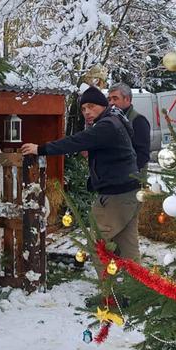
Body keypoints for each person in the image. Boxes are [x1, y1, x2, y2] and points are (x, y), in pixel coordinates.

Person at [21, 86, 141, 262]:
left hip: (116, 196)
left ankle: (110, 281)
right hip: (129, 193)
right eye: (83, 109)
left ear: (103, 105)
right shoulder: (115, 120)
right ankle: (138, 280)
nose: (87, 112)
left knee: (98, 245)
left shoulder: (107, 125)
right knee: (128, 249)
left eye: (91, 106)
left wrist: (40, 149)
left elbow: (76, 141)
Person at [107, 83, 151, 173]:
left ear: (127, 99)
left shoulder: (138, 120)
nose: (111, 103)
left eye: (115, 98)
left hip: (131, 176)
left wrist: (130, 174)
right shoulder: (111, 119)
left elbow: (142, 155)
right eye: (109, 99)